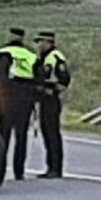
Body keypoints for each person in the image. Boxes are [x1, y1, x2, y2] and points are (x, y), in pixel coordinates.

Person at [0, 28, 38, 181]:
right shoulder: (31, 55)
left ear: (9, 36)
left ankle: (0, 170)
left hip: (6, 99)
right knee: (21, 137)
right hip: (25, 99)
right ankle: (19, 171)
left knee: (3, 137)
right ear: (23, 38)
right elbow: (38, 78)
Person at [34, 31, 71, 179]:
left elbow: (64, 79)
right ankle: (50, 166)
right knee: (46, 132)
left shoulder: (55, 57)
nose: (39, 45)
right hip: (44, 99)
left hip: (51, 100)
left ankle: (56, 167)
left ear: (48, 42)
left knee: (52, 133)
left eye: (41, 42)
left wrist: (53, 90)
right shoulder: (43, 58)